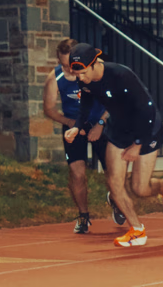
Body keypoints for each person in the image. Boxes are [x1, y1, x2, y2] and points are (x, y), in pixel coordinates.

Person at [65, 43, 163, 247]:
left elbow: (146, 109)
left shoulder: (121, 75)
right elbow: (86, 104)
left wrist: (138, 144)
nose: (80, 78)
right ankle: (137, 229)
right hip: (119, 129)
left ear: (94, 64)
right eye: (76, 74)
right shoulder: (85, 81)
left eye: (82, 73)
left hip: (147, 128)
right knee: (114, 182)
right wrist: (77, 127)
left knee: (139, 188)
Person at [43, 38, 125, 234]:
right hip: (74, 126)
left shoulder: (98, 70)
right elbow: (49, 109)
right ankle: (83, 216)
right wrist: (71, 123)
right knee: (77, 174)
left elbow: (116, 99)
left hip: (101, 122)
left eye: (70, 65)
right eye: (63, 65)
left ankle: (116, 199)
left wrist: (101, 123)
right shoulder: (55, 78)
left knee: (113, 172)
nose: (69, 70)